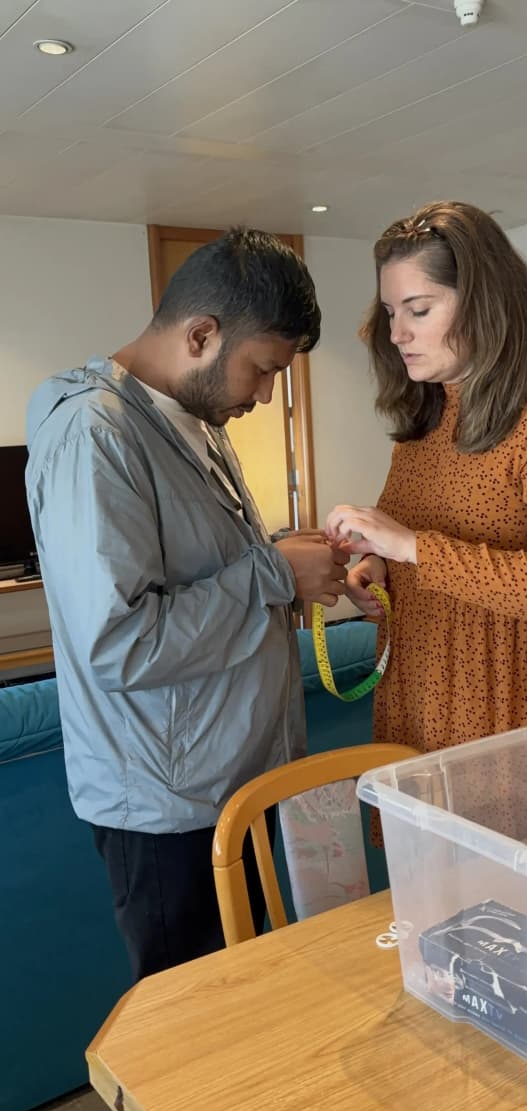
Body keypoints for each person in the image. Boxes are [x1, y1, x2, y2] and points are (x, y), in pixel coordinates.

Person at [26, 228, 348, 980]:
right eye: (263, 369)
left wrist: (310, 570)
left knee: (244, 1013)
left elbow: (218, 569)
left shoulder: (191, 419)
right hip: (170, 810)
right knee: (193, 1040)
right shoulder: (93, 437)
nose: (267, 395)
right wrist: (274, 577)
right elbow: (121, 644)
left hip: (234, 778)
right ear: (201, 334)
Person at [326, 201, 527, 843]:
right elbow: (407, 537)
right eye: (392, 312)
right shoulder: (426, 414)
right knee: (433, 901)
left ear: (485, 303)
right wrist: (377, 566)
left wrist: (411, 546)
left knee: (521, 907)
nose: (397, 332)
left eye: (419, 310)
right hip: (429, 691)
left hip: (519, 704)